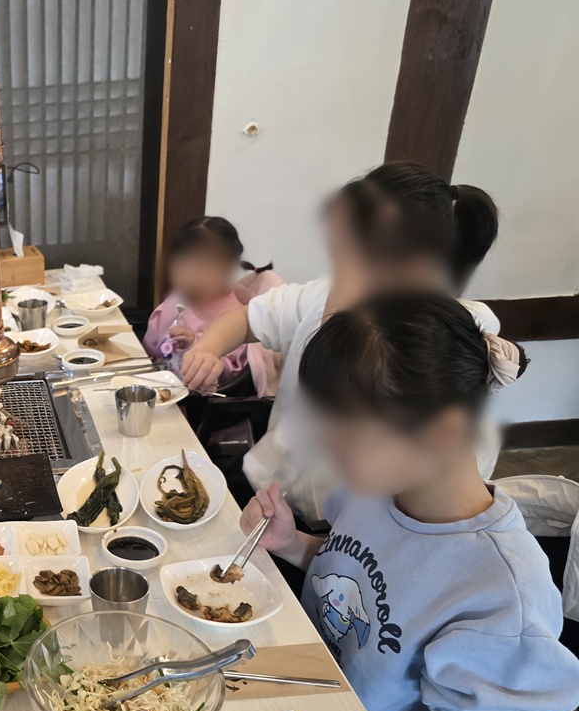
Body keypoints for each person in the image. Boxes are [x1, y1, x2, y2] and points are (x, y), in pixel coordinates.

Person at [242, 293, 579, 711]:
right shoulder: (376, 490)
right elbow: (352, 570)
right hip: (311, 704)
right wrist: (292, 544)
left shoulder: (502, 594)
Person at [179, 162, 501, 524]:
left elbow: (459, 468)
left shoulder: (448, 334)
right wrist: (207, 349)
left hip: (348, 526)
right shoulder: (324, 292)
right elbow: (246, 319)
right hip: (268, 485)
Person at [142, 216, 283, 396]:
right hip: (153, 390)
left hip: (194, 406)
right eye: (182, 264)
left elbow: (229, 378)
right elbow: (147, 350)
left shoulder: (237, 319)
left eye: (202, 266)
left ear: (229, 268)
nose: (190, 275)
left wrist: (194, 345)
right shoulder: (175, 301)